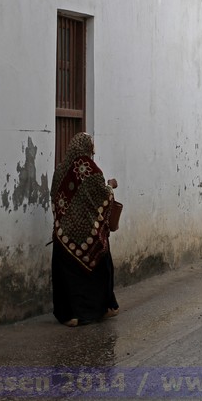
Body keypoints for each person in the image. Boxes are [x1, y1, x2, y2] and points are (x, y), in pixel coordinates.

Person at [50, 132, 120, 326]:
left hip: (64, 235)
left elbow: (54, 198)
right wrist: (111, 186)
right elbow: (103, 196)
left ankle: (70, 315)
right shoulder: (90, 170)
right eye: (92, 147)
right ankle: (103, 308)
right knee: (102, 265)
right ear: (87, 148)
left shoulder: (59, 170)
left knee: (67, 276)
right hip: (89, 235)